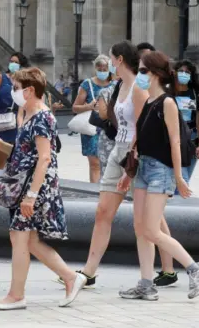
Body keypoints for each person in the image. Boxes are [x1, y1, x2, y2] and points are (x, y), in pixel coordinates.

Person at [0, 68, 86, 310]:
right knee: (27, 240)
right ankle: (71, 278)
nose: (13, 92)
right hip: (29, 184)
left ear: (30, 90)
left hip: (34, 186)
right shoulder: (31, 115)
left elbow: (44, 159)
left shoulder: (42, 117)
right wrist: (1, 144)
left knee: (20, 237)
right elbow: (24, 155)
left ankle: (16, 295)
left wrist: (30, 196)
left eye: (16, 87)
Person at [118, 51, 199, 301]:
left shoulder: (168, 103)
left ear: (157, 74)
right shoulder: (148, 102)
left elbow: (176, 141)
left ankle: (195, 268)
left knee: (151, 229)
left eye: (143, 71)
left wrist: (179, 177)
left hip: (162, 170)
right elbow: (139, 140)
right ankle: (146, 284)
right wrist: (128, 171)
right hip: (145, 168)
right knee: (140, 228)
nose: (139, 76)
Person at [58, 41, 146, 288]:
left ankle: (182, 267)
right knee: (102, 212)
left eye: (111, 60)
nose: (107, 66)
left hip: (134, 155)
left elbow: (142, 127)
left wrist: (132, 163)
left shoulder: (140, 87)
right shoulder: (120, 85)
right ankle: (89, 271)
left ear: (118, 60)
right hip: (118, 150)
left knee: (148, 222)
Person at [72, 55, 113, 184]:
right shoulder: (87, 84)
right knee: (95, 163)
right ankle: (95, 191)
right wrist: (89, 106)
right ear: (95, 68)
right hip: (91, 126)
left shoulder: (115, 84)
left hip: (109, 126)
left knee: (109, 161)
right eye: (99, 68)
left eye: (105, 68)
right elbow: (75, 107)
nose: (102, 70)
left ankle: (107, 189)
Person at [0, 53, 29, 169]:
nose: (13, 64)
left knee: (18, 158)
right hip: (3, 121)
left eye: (16, 62)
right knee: (1, 159)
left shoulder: (25, 80)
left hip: (20, 120)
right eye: (11, 61)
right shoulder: (1, 78)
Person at [172, 59, 199, 182]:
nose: (183, 74)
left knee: (186, 177)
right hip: (174, 136)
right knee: (182, 178)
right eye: (181, 71)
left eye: (187, 72)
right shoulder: (168, 92)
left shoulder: (197, 94)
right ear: (175, 72)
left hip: (191, 137)